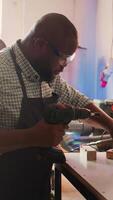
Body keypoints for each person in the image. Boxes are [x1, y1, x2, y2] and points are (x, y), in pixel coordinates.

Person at [0, 12, 113, 200]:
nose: (65, 66)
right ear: (39, 45)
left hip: (37, 189)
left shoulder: (47, 75)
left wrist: (110, 124)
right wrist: (32, 137)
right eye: (63, 58)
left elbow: (78, 101)